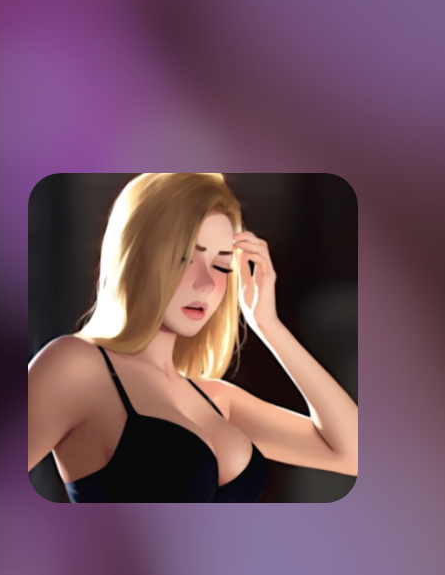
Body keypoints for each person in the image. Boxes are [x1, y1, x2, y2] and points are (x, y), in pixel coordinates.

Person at [26, 173, 358, 502]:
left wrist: (268, 325)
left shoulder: (218, 401)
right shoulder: (76, 367)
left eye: (221, 266)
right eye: (184, 258)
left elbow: (352, 452)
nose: (206, 284)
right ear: (137, 254)